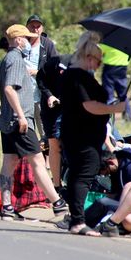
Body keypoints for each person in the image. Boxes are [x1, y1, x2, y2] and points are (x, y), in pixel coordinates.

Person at [0, 24, 68, 220]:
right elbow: (10, 89)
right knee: (37, 161)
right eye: (26, 39)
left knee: (9, 163)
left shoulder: (8, 59)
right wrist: (20, 116)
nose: (29, 42)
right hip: (20, 121)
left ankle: (7, 207)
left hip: (8, 121)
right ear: (19, 40)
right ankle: (58, 204)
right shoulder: (16, 59)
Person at [59, 31, 125, 236]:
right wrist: (114, 109)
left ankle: (76, 219)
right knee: (84, 173)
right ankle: (78, 221)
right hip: (81, 136)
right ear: (89, 58)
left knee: (81, 173)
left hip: (80, 134)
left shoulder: (76, 75)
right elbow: (89, 106)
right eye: (98, 60)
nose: (100, 64)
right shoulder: (78, 77)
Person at [36, 53, 72, 193]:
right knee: (54, 145)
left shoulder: (83, 68)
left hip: (71, 110)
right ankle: (57, 185)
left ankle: (73, 184)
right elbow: (40, 79)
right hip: (51, 110)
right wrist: (49, 96)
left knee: (70, 146)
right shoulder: (53, 63)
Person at [25, 14, 58, 141]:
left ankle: (48, 159)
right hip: (24, 96)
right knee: (27, 134)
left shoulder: (48, 45)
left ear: (42, 28)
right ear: (26, 28)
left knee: (46, 134)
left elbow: (55, 69)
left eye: (38, 26)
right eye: (32, 26)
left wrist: (37, 72)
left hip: (41, 96)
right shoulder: (21, 44)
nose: (35, 29)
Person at [100, 44, 131, 120]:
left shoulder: (110, 42)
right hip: (122, 68)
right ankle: (128, 115)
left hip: (109, 67)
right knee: (123, 94)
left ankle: (108, 115)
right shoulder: (126, 43)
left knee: (108, 93)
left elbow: (101, 50)